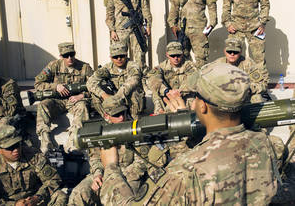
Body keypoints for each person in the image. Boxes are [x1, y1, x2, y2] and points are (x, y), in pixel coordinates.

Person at [99, 63, 279, 205]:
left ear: (202, 106)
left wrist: (111, 168)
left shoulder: (185, 171)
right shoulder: (264, 143)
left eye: (196, 96)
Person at [68, 98, 167, 205]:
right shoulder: (98, 133)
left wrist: (118, 176)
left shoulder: (135, 130)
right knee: (79, 193)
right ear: (106, 116)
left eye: (123, 113)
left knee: (126, 198)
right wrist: (98, 175)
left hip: (129, 176)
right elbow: (95, 159)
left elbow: (141, 163)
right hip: (104, 174)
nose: (121, 118)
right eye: (116, 115)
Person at [0, 125, 67, 205]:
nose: (16, 150)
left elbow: (53, 179)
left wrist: (37, 197)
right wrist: (14, 205)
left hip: (34, 201)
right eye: (10, 148)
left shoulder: (34, 155)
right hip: (6, 203)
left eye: (17, 145)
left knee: (60, 195)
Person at [35, 42, 93, 153]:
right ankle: (45, 140)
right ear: (61, 56)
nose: (70, 58)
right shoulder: (53, 66)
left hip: (75, 101)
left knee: (82, 106)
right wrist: (55, 86)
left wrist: (82, 95)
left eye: (72, 54)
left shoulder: (85, 67)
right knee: (42, 106)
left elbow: (95, 86)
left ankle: (73, 142)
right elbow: (38, 84)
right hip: (57, 100)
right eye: (66, 56)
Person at [167, 0, 217, 68]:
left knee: (201, 59)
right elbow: (174, 8)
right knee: (181, 59)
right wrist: (172, 25)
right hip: (182, 30)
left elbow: (212, 9)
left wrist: (210, 27)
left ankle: (200, 84)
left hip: (199, 30)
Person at [222, 0, 270, 67]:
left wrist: (262, 23)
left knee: (259, 58)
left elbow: (265, 5)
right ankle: (232, 81)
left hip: (254, 27)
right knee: (232, 57)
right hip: (236, 27)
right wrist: (228, 23)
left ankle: (260, 83)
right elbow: (226, 7)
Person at [105, 0, 152, 70]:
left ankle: (140, 81)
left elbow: (145, 6)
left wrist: (148, 25)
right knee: (119, 57)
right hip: (120, 29)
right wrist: (112, 30)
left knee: (140, 57)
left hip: (137, 27)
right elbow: (109, 11)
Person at [86, 42, 145, 121]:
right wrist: (104, 95)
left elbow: (132, 81)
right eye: (115, 57)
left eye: (122, 56)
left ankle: (135, 118)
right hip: (114, 102)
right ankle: (109, 118)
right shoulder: (107, 68)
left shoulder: (133, 66)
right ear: (111, 57)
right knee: (95, 95)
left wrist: (117, 97)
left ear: (126, 55)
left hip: (128, 100)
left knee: (134, 91)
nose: (119, 59)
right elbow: (90, 82)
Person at [147, 41, 197, 114]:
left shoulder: (189, 66)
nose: (176, 58)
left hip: (184, 96)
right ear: (167, 55)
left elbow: (193, 79)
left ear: (182, 54)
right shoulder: (161, 67)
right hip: (168, 97)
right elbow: (153, 80)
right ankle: (160, 113)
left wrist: (179, 92)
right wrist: (166, 91)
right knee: (156, 93)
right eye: (172, 56)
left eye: (178, 55)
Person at [213, 37, 268, 103]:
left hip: (243, 97)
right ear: (224, 51)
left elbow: (262, 85)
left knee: (257, 98)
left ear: (240, 52)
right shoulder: (218, 64)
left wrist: (248, 89)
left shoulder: (248, 64)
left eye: (236, 52)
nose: (232, 54)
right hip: (224, 97)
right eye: (229, 51)